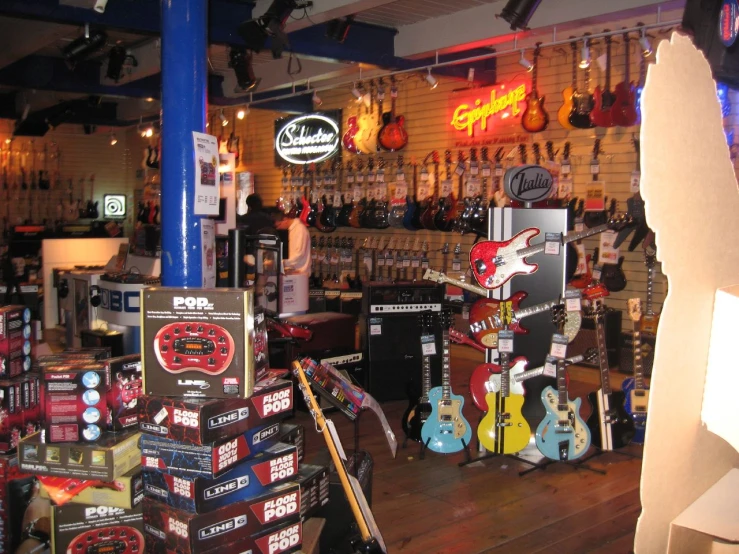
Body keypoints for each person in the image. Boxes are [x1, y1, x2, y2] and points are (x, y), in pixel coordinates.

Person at [273, 211, 311, 277]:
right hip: (294, 273)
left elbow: (298, 255)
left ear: (285, 220)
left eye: (279, 225)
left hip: (300, 274)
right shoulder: (291, 230)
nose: (278, 228)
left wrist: (281, 262)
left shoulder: (300, 229)